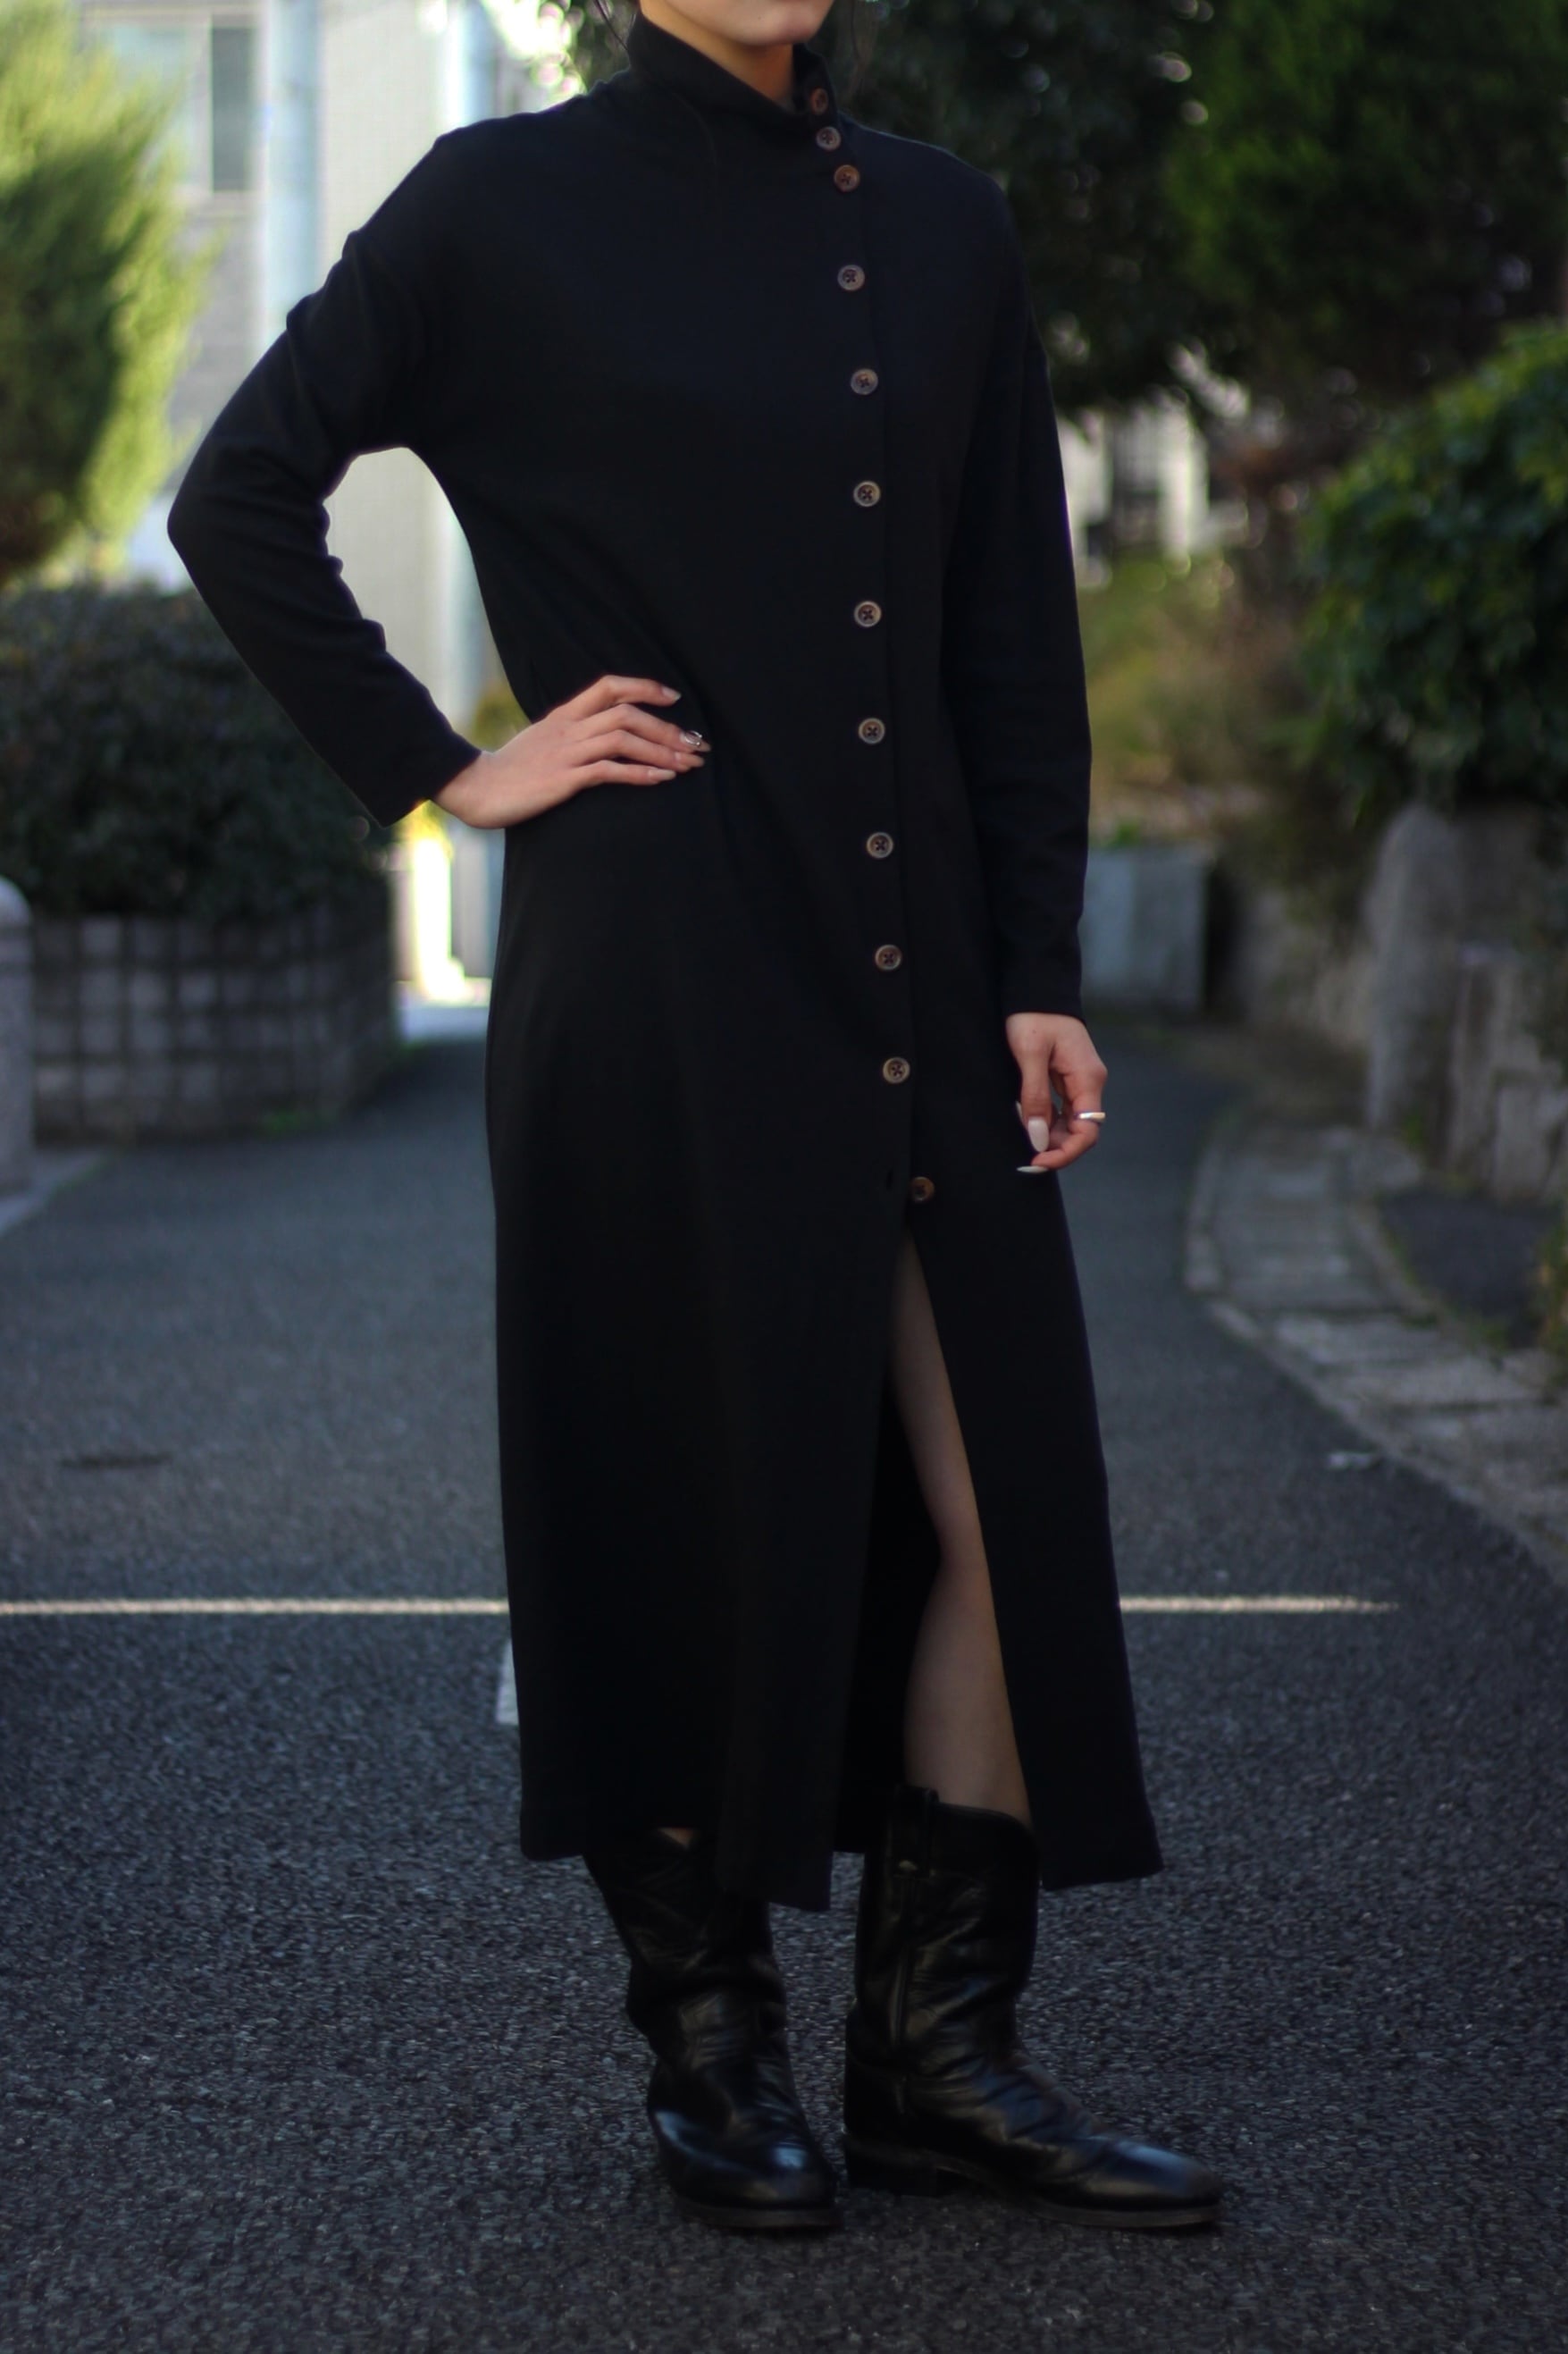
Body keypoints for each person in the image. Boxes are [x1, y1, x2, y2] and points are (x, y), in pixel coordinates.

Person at [168, 0, 1222, 2237]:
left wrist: (1036, 961)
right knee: (666, 1495)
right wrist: (447, 768)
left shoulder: (944, 223)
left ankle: (938, 2055)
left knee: (1005, 1500)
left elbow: (1009, 627)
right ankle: (713, 2046)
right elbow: (237, 492)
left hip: (924, 960)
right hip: (656, 962)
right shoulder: (498, 206)